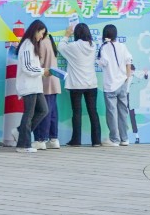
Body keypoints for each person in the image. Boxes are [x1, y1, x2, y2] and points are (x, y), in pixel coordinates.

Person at [58, 23, 102, 146]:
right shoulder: (93, 46)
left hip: (76, 84)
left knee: (76, 112)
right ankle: (96, 141)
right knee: (93, 112)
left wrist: (66, 35)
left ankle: (76, 140)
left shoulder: (73, 46)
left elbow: (61, 47)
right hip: (91, 84)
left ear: (76, 34)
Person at [13, 20, 52, 152]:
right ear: (35, 30)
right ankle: (23, 145)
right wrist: (42, 71)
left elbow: (32, 66)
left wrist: (42, 71)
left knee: (43, 110)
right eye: (41, 33)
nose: (42, 36)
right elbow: (27, 67)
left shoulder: (33, 45)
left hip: (35, 85)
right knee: (28, 114)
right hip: (28, 85)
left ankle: (20, 131)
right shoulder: (27, 45)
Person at [99, 24, 135, 147]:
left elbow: (103, 62)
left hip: (110, 85)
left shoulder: (104, 48)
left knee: (112, 112)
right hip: (123, 83)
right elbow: (129, 61)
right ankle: (124, 138)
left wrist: (98, 59)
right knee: (123, 111)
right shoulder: (123, 46)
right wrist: (127, 78)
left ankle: (114, 139)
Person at [36, 21, 62, 149]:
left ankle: (41, 139)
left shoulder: (41, 42)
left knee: (44, 111)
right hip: (54, 81)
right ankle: (53, 138)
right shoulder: (50, 41)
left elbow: (38, 62)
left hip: (45, 81)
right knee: (52, 112)